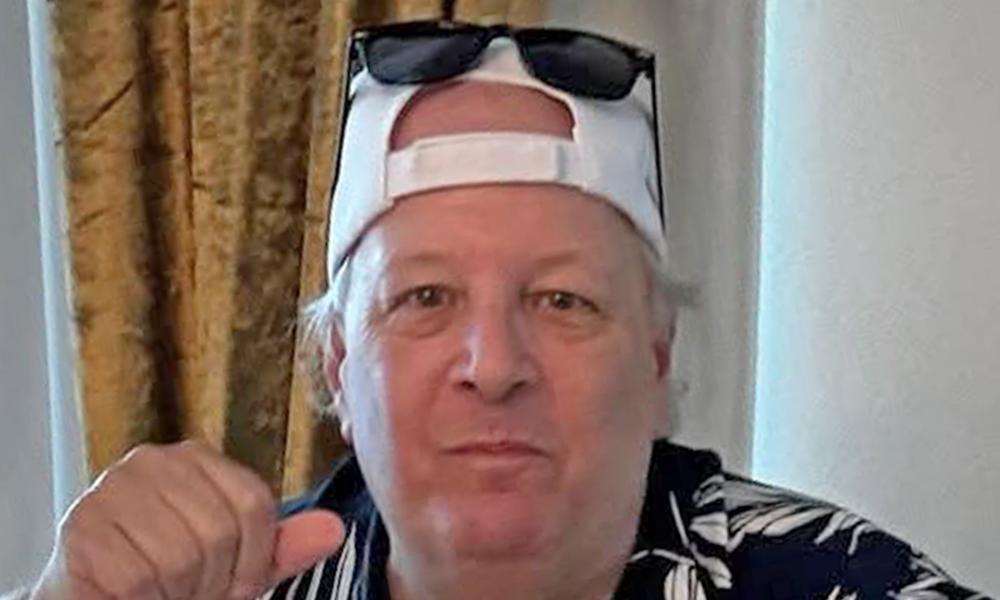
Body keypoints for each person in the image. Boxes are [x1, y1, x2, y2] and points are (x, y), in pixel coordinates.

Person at [10, 22, 991, 600]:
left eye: (563, 300)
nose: (492, 364)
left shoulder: (834, 584)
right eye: (424, 298)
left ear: (655, 358)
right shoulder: (230, 592)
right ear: (339, 366)